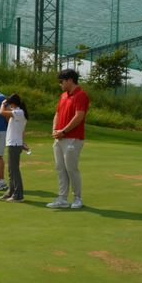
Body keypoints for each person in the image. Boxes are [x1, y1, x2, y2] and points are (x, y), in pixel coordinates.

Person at [47, 69, 90, 209]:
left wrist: (63, 131)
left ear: (70, 80)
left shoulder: (81, 95)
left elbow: (79, 116)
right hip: (59, 137)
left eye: (62, 81)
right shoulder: (63, 96)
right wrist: (55, 129)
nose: (60, 84)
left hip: (73, 138)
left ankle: (77, 198)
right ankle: (62, 198)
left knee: (71, 168)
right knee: (60, 168)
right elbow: (57, 114)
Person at [0, 93, 29, 203]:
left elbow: (1, 112)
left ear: (12, 103)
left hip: (15, 144)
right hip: (13, 143)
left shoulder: (19, 112)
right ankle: (11, 192)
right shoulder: (16, 113)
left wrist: (2, 103)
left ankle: (18, 195)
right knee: (11, 170)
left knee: (14, 170)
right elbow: (7, 118)